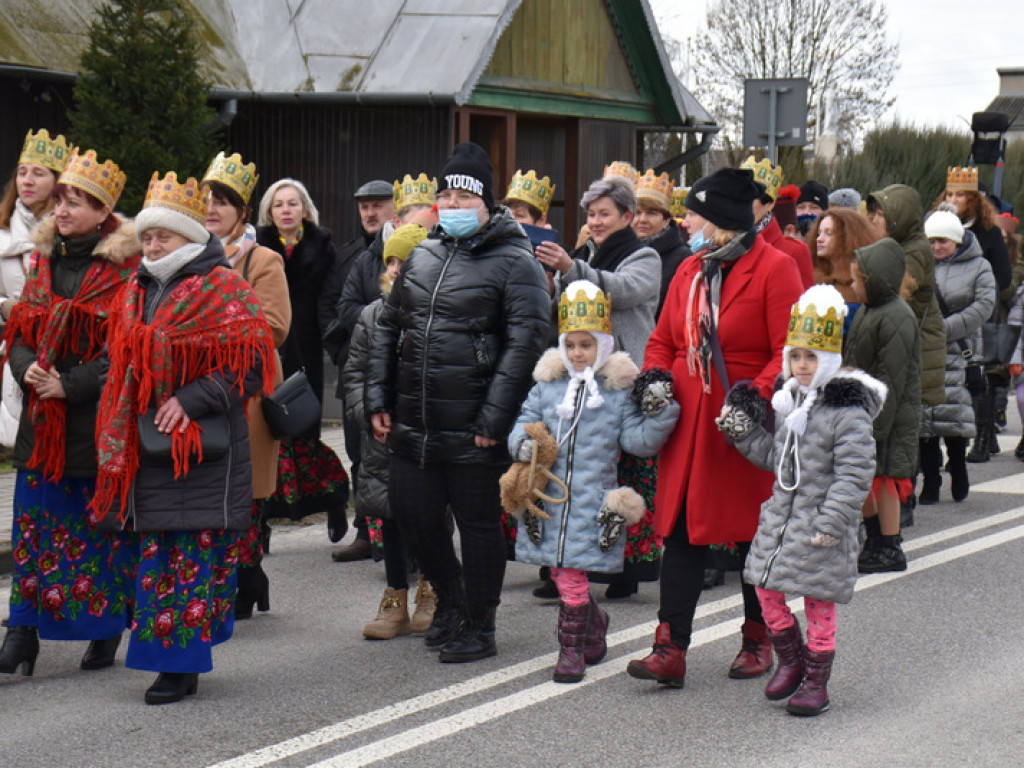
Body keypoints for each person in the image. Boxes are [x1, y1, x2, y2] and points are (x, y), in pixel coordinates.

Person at [91, 171, 276, 704]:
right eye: (147, 236)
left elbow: (251, 366)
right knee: (154, 556)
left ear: (191, 237)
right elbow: (117, 357)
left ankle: (180, 666)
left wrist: (187, 399)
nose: (152, 245)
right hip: (143, 447)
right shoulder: (136, 287)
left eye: (163, 236)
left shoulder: (224, 286)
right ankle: (168, 654)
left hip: (201, 447)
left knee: (186, 555)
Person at [366, 141, 550, 663]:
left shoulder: (517, 263)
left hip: (474, 424)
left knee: (477, 525)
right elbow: (387, 327)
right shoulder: (423, 253)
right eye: (445, 195)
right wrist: (377, 395)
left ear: (487, 204)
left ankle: (480, 622)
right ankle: (450, 599)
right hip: (415, 421)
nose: (453, 205)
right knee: (414, 515)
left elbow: (527, 345)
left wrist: (495, 416)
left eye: (464, 197)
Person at [627, 167, 802, 688]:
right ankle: (670, 647)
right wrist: (655, 376)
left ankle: (759, 635)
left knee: (751, 535)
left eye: (694, 214)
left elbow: (787, 352)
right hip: (689, 424)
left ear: (723, 220)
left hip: (741, 424)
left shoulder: (775, 268)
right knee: (681, 532)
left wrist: (758, 393)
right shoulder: (689, 270)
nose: (686, 223)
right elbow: (662, 340)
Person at [0, 147, 139, 678]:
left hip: (93, 427)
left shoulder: (124, 273)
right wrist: (28, 369)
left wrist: (70, 384)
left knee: (93, 537)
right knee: (32, 532)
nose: (62, 211)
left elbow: (126, 355)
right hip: (43, 428)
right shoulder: (42, 262)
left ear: (103, 214)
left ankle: (103, 630)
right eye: (60, 201)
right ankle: (22, 632)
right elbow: (21, 333)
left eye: (76, 203)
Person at [717, 284, 885, 716]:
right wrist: (744, 434)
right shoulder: (790, 403)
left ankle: (816, 680)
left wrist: (832, 522)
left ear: (828, 359)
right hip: (782, 519)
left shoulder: (847, 413)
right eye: (796, 356)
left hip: (820, 525)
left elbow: (855, 472)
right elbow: (780, 461)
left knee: (818, 604)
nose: (802, 365)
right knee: (766, 591)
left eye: (811, 357)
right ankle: (791, 661)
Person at [508, 280, 678, 683]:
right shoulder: (547, 386)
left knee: (573, 572)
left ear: (602, 345)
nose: (577, 353)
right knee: (562, 570)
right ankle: (593, 622)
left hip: (593, 499)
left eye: (586, 345)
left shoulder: (617, 392)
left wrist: (663, 415)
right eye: (570, 345)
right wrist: (523, 445)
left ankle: (570, 650)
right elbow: (523, 423)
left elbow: (637, 442)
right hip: (548, 497)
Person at [536, 174, 661, 600]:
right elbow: (563, 309)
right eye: (591, 214)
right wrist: (551, 282)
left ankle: (626, 566)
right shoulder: (583, 252)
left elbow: (622, 292)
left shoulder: (646, 256)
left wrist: (572, 270)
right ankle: (570, 564)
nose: (597, 221)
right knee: (579, 470)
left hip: (624, 379)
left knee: (625, 473)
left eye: (605, 214)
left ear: (627, 216)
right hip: (580, 377)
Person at [201, 152, 292, 618]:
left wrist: (214, 324)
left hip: (250, 392)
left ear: (241, 210)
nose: (212, 208)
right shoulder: (187, 256)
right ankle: (237, 575)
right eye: (207, 199)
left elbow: (275, 326)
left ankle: (247, 574)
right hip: (199, 391)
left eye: (223, 201)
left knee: (246, 493)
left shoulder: (261, 258)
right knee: (209, 491)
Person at [331, 175, 437, 562]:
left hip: (416, 400)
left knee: (419, 478)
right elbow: (342, 308)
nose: (395, 268)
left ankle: (422, 561)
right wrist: (378, 320)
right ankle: (371, 534)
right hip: (370, 388)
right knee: (367, 462)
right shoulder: (362, 260)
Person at [345, 223, 435, 639]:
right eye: (393, 261)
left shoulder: (437, 312)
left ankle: (431, 591)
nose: (397, 269)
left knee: (430, 516)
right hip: (382, 436)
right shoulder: (371, 315)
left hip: (424, 432)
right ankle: (395, 597)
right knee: (390, 518)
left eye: (407, 261)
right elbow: (355, 374)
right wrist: (368, 414)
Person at [255, 180, 349, 529]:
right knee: (269, 435)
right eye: (278, 204)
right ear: (269, 212)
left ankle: (334, 497)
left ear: (305, 209)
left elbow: (329, 301)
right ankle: (264, 518)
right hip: (270, 349)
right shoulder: (257, 247)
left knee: (306, 434)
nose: (286, 210)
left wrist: (330, 343)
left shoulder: (323, 249)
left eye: (293, 203)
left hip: (307, 348)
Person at [322, 178, 396, 551]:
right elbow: (338, 306)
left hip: (402, 374)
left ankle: (401, 537)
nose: (370, 212)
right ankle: (367, 532)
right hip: (358, 368)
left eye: (378, 205)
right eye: (364, 206)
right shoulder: (352, 256)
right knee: (358, 455)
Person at [842, 238, 921, 573]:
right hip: (869, 408)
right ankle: (875, 538)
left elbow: (891, 376)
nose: (853, 286)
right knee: (868, 478)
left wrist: (876, 425)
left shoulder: (896, 317)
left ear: (876, 280)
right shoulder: (872, 311)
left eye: (858, 281)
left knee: (887, 480)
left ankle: (890, 544)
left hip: (888, 413)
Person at [0, 130, 71, 446]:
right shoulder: (1, 235)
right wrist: (5, 307)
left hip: (65, 353)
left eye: (38, 173)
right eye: (22, 172)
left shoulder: (71, 234)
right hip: (14, 352)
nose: (26, 181)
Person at [919, 208, 995, 503]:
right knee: (925, 421)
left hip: (960, 349)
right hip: (926, 350)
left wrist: (944, 328)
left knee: (953, 415)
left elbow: (984, 305)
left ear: (957, 241)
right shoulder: (920, 266)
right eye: (932, 241)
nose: (937, 247)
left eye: (943, 241)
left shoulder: (979, 267)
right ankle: (931, 479)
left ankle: (959, 466)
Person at [740, 156, 813, 287]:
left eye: (751, 197)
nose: (743, 202)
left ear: (770, 203)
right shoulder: (724, 244)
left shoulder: (794, 251)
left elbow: (803, 303)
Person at [632, 169, 690, 316]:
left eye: (652, 213)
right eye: (637, 213)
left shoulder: (682, 259)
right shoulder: (620, 251)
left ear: (666, 221)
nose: (642, 219)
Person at [809, 207, 879, 329]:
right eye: (819, 233)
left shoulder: (862, 282)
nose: (819, 239)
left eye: (828, 233)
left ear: (847, 238)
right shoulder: (810, 275)